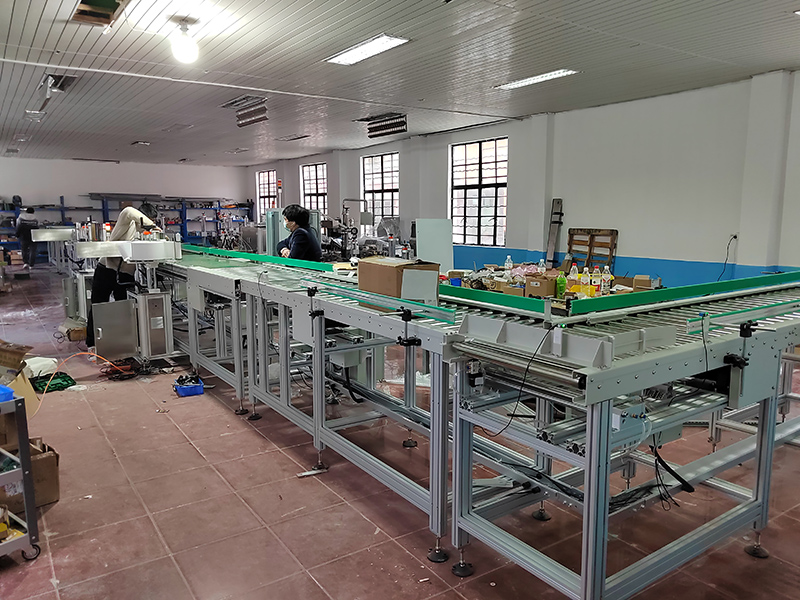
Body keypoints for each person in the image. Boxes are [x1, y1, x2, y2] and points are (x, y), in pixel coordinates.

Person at [86, 204, 161, 348]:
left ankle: (127, 344)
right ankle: (92, 344)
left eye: (153, 220)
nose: (151, 223)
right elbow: (128, 210)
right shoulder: (127, 222)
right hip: (106, 270)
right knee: (98, 306)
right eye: (150, 220)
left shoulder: (146, 233)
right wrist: (152, 226)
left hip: (125, 275)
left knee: (126, 309)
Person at [15, 207, 38, 271]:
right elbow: (37, 228)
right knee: (32, 251)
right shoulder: (35, 218)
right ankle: (31, 265)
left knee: (24, 250)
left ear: (26, 211)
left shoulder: (21, 217)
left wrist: (17, 235)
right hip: (33, 236)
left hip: (24, 236)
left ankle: (25, 263)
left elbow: (18, 227)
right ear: (33, 212)